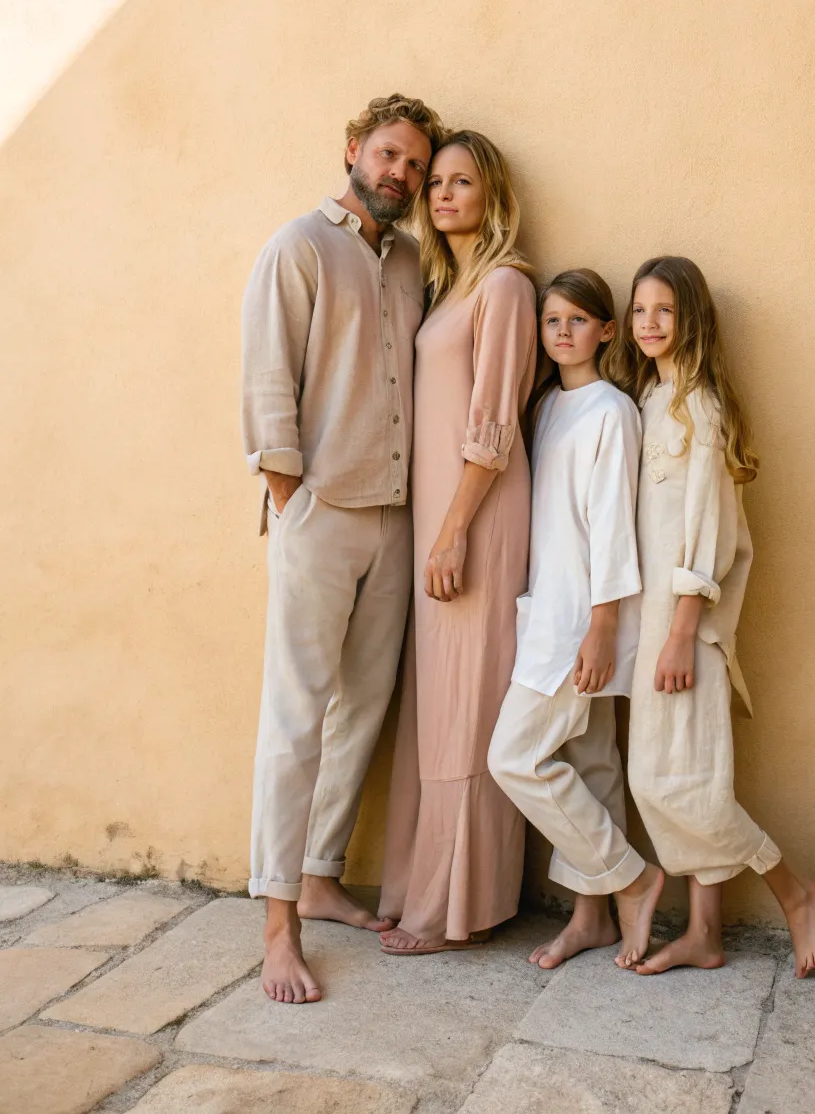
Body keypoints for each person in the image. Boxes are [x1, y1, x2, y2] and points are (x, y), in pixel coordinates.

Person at [241, 93, 446, 1004]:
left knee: (363, 706)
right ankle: (278, 923)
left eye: (415, 163)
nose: (400, 173)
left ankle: (322, 876)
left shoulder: (409, 262)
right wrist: (293, 498)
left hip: (396, 518)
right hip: (321, 513)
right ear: (356, 150)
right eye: (390, 154)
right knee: (295, 716)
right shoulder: (299, 246)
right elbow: (266, 379)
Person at [609, 256, 815, 977]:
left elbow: (707, 536)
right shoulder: (648, 401)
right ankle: (704, 933)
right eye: (639, 309)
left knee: (674, 784)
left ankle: (793, 889)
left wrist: (679, 635)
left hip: (689, 633)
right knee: (678, 779)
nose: (648, 323)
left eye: (664, 310)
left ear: (693, 318)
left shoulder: (699, 406)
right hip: (654, 634)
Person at [378, 131, 537, 954]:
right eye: (434, 182)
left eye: (460, 182)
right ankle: (420, 889)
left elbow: (493, 428)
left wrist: (451, 534)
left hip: (478, 516)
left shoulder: (505, 286)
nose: (441, 195)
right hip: (444, 519)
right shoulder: (451, 287)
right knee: (438, 699)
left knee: (467, 701)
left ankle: (456, 908)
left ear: (491, 194)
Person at [488, 269, 665, 971]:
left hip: (580, 625)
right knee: (592, 764)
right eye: (551, 321)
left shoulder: (612, 412)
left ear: (607, 330)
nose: (562, 333)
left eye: (577, 321)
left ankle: (632, 877)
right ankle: (591, 919)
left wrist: (601, 628)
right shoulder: (546, 410)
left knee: (515, 757)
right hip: (548, 611)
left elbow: (613, 530)